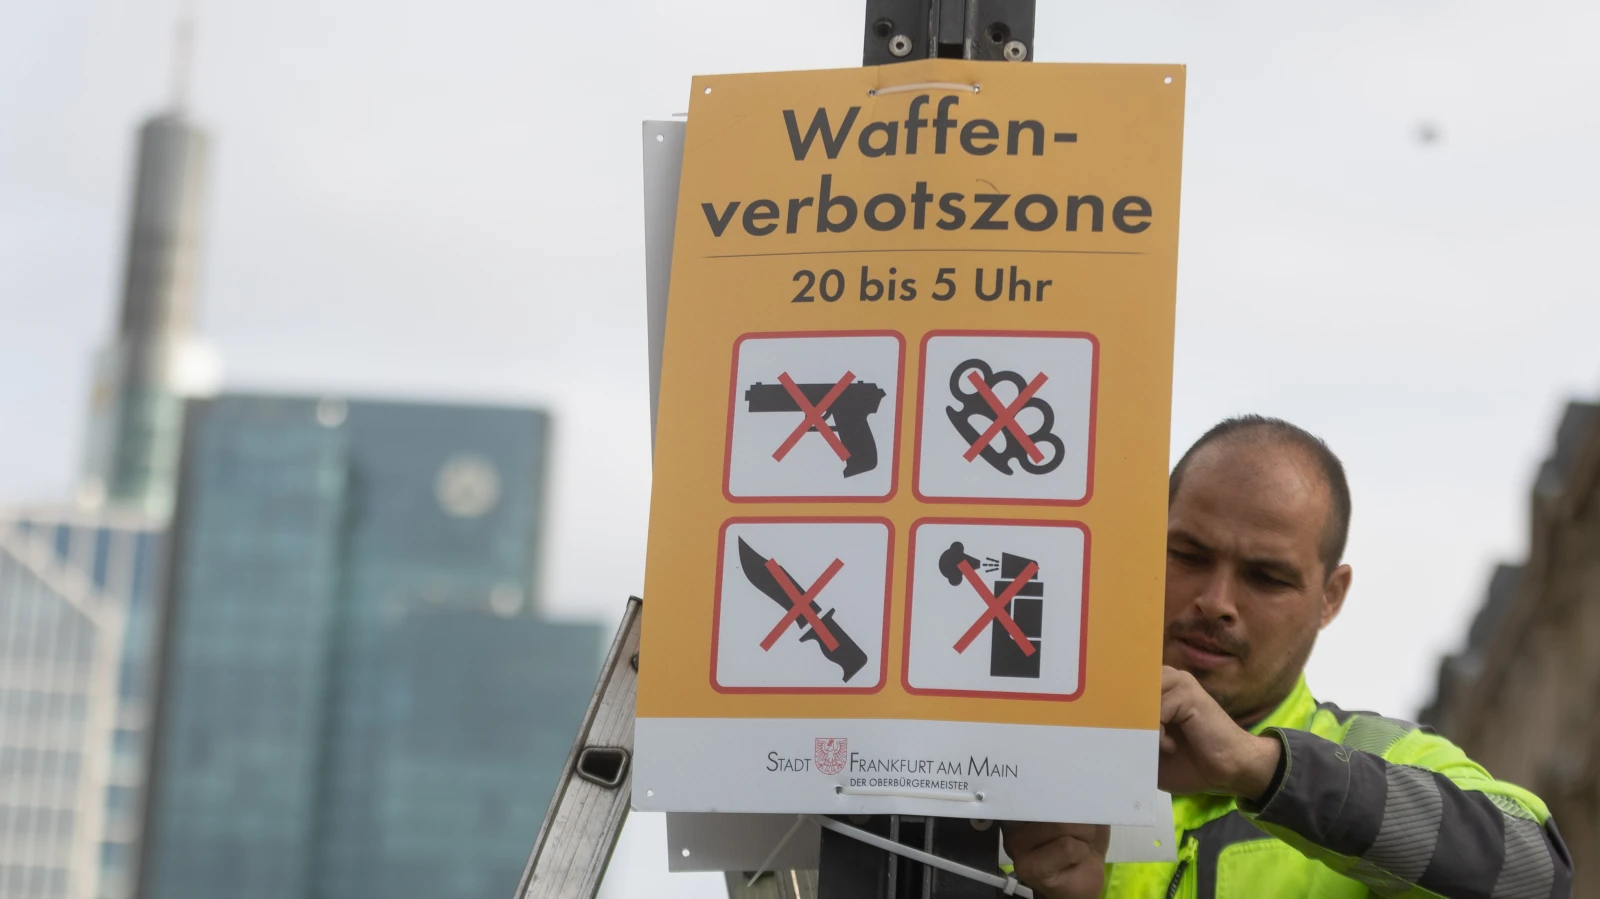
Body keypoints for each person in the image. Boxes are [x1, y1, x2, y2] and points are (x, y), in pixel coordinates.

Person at [1003, 416, 1575, 899]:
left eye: (1267, 577)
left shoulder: (1382, 755)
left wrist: (1262, 768)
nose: (1217, 602)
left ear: (1331, 596)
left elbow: (1539, 875)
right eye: (1187, 554)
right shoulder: (1010, 749)